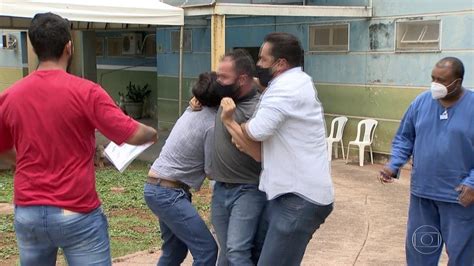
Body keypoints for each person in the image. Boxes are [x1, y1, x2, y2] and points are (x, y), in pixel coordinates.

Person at [0, 13, 157, 266]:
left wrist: (21, 162)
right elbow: (133, 134)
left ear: (33, 47)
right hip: (76, 209)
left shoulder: (11, 96)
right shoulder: (87, 92)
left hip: (28, 209)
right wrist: (152, 132)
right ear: (69, 46)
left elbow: (2, 148)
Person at [220, 32, 334, 265]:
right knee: (253, 253)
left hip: (298, 198)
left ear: (280, 63)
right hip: (285, 195)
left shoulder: (287, 89)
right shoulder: (292, 82)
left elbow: (255, 131)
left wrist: (236, 125)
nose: (258, 66)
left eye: (262, 60)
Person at [379, 57, 474, 266]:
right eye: (433, 78)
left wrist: (473, 182)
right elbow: (405, 137)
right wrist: (394, 163)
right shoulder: (421, 102)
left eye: (441, 80)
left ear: (457, 82)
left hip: (459, 199)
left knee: (463, 257)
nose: (435, 84)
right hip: (424, 195)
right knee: (420, 253)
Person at [192, 49, 266, 266]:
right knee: (226, 252)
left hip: (247, 189)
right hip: (220, 188)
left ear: (242, 79)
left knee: (237, 251)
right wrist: (197, 99)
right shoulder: (227, 96)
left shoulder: (259, 108)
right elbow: (205, 90)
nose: (218, 81)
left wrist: (229, 120)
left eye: (223, 77)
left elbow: (257, 149)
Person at [144, 72, 220, 266]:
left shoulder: (192, 109)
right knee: (207, 251)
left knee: (174, 251)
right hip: (169, 192)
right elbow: (211, 171)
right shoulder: (212, 125)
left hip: (156, 187)